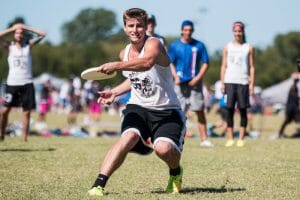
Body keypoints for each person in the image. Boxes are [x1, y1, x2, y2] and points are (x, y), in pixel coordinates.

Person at [87, 8, 186, 197]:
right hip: (138, 107)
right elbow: (133, 78)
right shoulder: (124, 53)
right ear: (124, 28)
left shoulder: (154, 44)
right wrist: (114, 92)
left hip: (167, 110)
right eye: (130, 26)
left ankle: (175, 171)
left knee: (163, 149)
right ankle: (99, 184)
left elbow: (146, 63)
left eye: (139, 25)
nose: (135, 30)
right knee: (128, 137)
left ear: (146, 27)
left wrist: (116, 66)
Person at [168, 20, 213, 147]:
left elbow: (206, 63)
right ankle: (175, 138)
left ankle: (204, 139)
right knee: (178, 111)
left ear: (193, 31)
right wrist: (175, 76)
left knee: (199, 110)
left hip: (195, 83)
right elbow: (170, 62)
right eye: (185, 30)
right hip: (179, 83)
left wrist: (198, 78)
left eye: (190, 30)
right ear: (181, 30)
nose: (188, 32)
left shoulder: (199, 45)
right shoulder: (175, 45)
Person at [0, 23, 46, 141]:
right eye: (17, 33)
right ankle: (1, 133)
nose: (19, 35)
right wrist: (12, 28)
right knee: (5, 111)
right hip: (12, 83)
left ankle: (24, 138)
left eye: (21, 33)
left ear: (23, 35)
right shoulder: (9, 47)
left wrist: (25, 27)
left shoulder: (28, 46)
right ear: (13, 35)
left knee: (26, 112)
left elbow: (42, 34)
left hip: (27, 82)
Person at [220, 21, 255, 147]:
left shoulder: (249, 47)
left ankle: (241, 138)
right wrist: (222, 82)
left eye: (239, 31)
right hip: (229, 81)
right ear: (232, 32)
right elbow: (223, 65)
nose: (237, 33)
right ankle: (230, 138)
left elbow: (252, 67)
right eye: (235, 31)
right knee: (229, 110)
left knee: (243, 110)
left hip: (243, 82)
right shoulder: (227, 47)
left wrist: (252, 84)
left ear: (243, 32)